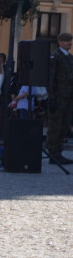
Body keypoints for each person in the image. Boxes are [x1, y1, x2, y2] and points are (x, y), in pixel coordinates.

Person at [46, 32, 73, 164]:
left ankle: (59, 152)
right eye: (67, 41)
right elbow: (50, 78)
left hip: (68, 97)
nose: (70, 43)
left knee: (64, 125)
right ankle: (53, 153)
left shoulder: (70, 57)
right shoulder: (55, 56)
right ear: (60, 42)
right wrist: (51, 97)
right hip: (58, 96)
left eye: (70, 41)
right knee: (55, 125)